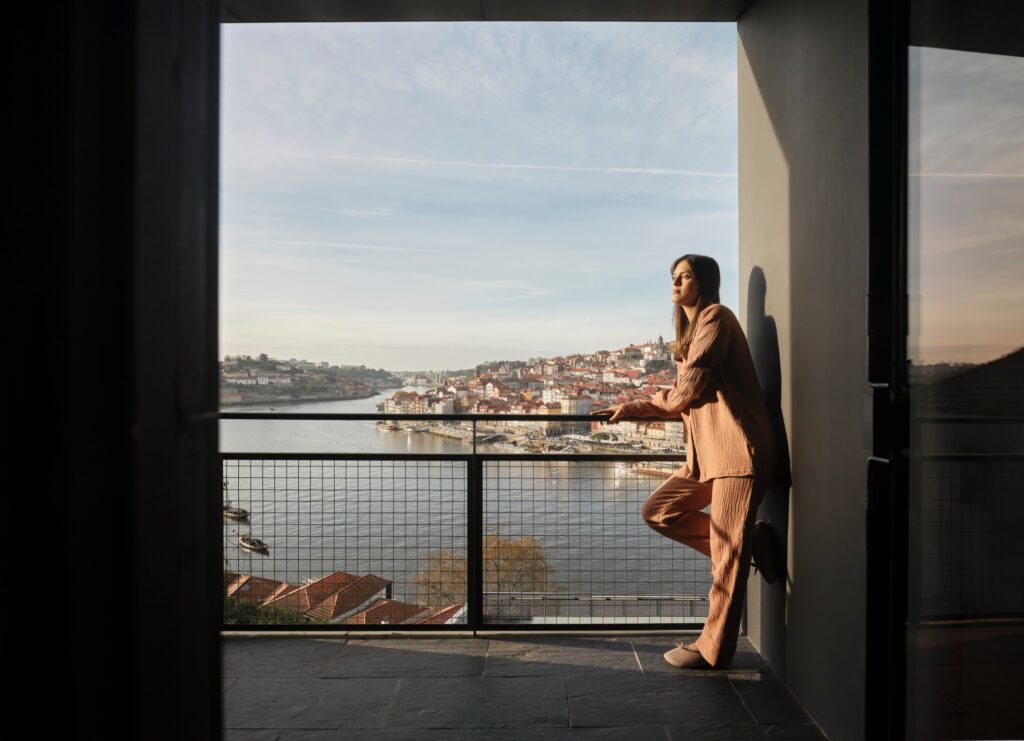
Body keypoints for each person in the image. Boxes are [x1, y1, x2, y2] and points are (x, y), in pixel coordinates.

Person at [590, 253, 782, 670]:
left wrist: (635, 406)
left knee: (726, 560)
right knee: (658, 512)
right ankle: (751, 545)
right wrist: (636, 407)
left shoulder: (716, 318)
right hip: (707, 456)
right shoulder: (690, 334)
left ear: (705, 282)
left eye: (685, 276)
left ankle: (713, 650)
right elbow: (684, 394)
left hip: (738, 453)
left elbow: (686, 391)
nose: (676, 283)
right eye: (673, 276)